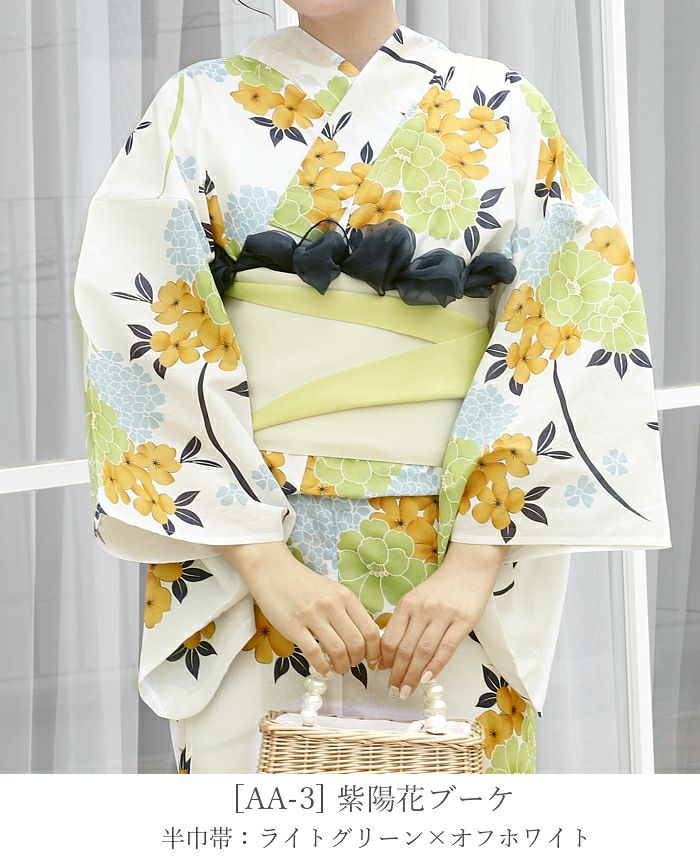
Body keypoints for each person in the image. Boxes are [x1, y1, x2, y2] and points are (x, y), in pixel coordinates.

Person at [72, 0, 670, 774]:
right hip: (250, 559)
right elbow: (139, 330)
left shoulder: (504, 107)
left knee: (454, 803)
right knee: (257, 806)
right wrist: (264, 563)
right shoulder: (195, 106)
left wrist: (472, 568)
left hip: (451, 555)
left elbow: (570, 320)